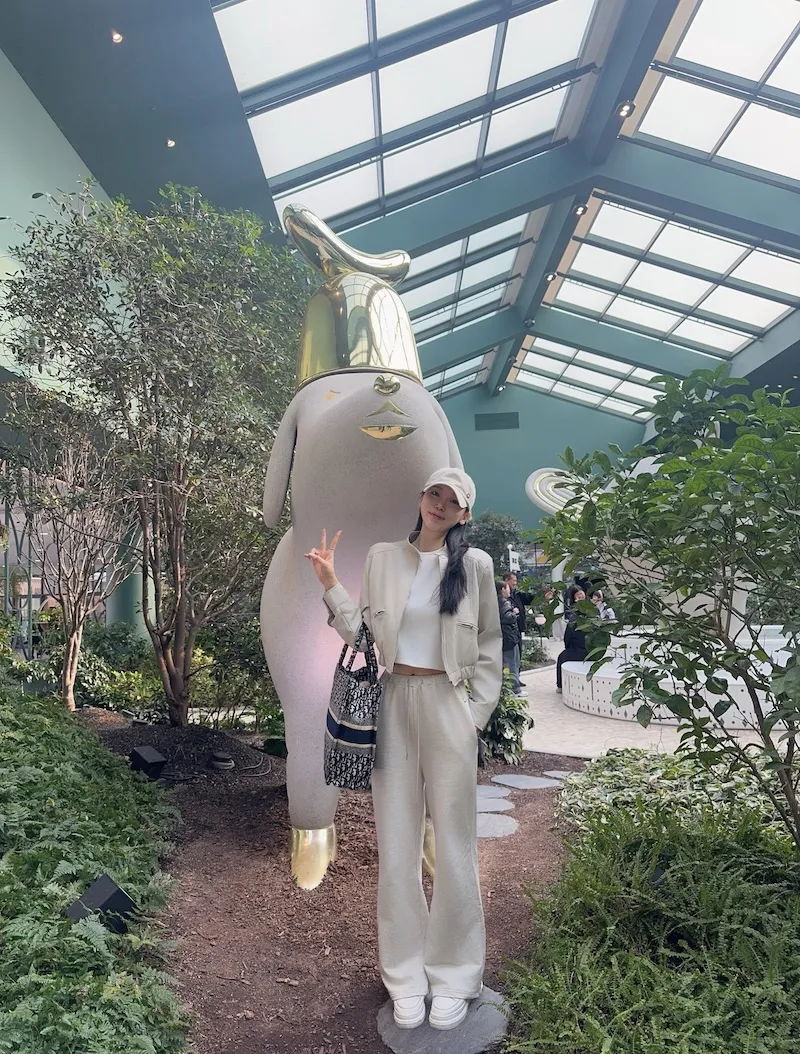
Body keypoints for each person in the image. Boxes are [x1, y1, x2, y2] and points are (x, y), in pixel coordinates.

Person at [305, 468, 502, 1032]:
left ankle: (456, 975)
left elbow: (490, 642)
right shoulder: (383, 557)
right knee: (396, 848)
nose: (440, 504)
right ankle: (405, 976)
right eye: (435, 493)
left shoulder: (475, 566)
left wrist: (473, 716)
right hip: (392, 703)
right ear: (422, 497)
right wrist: (329, 582)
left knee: (456, 847)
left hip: (448, 705)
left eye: (452, 501)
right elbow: (365, 637)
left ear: (464, 513)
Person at [501, 571, 534, 694]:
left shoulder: (516, 594)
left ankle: (516, 679)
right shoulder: (503, 600)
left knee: (517, 657)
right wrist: (513, 613)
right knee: (510, 660)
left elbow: (529, 599)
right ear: (506, 581)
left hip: (516, 631)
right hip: (508, 634)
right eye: (513, 580)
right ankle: (512, 685)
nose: (515, 583)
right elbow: (506, 617)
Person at [497, 580, 520, 687]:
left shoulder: (495, 601)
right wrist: (514, 613)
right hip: (509, 637)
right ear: (503, 589)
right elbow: (507, 618)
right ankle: (514, 689)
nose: (509, 590)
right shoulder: (504, 602)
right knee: (512, 664)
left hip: (503, 636)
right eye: (507, 588)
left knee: (507, 663)